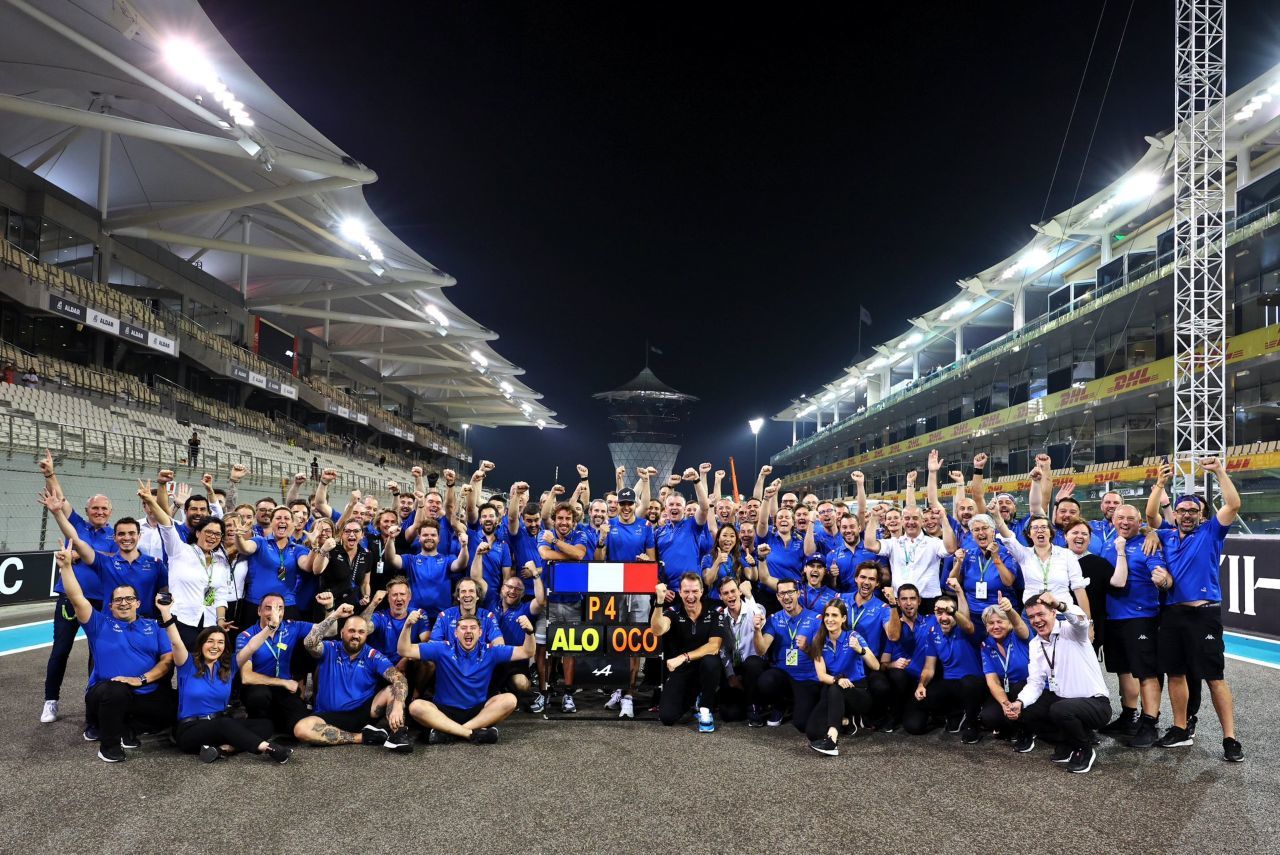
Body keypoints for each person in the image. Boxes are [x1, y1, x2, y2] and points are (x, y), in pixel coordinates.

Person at [1146, 458, 1244, 761]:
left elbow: (1234, 504)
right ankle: (1180, 727)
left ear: (1202, 515)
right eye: (1182, 510)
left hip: (1204, 614)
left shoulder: (1211, 532)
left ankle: (1230, 739)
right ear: (1175, 514)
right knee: (1176, 674)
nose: (1187, 515)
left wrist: (1218, 471)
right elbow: (1150, 515)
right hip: (1174, 614)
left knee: (1214, 677)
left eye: (1193, 511)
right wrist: (1160, 484)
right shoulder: (1166, 534)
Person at [53, 549, 174, 762]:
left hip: (142, 691)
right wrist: (66, 567)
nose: (124, 603)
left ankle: (129, 726)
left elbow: (167, 661)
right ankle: (109, 745)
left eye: (129, 599)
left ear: (138, 603)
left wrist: (141, 679)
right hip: (106, 693)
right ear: (110, 606)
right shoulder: (99, 623)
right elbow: (77, 597)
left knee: (178, 704)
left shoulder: (154, 626)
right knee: (117, 690)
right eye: (118, 600)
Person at [157, 596, 292, 764]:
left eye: (220, 642)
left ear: (225, 647)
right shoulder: (187, 663)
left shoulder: (229, 666)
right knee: (225, 725)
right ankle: (268, 748)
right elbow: (176, 642)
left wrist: (271, 626)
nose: (215, 646)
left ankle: (222, 749)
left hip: (220, 723)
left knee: (265, 725)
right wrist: (165, 612)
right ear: (201, 644)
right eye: (210, 641)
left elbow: (251, 646)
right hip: (190, 730)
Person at [1006, 592, 1112, 774]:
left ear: (1053, 613)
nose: (1036, 620)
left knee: (1060, 709)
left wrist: (1061, 605)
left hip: (1096, 704)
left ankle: (1083, 749)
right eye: (1031, 617)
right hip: (1064, 701)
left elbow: (1082, 620)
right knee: (1030, 708)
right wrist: (1019, 703)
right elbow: (1035, 683)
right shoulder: (1035, 644)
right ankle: (1067, 740)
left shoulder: (1072, 631)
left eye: (1041, 614)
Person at [400, 610, 537, 744]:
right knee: (416, 707)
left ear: (480, 632)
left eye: (473, 628)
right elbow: (404, 650)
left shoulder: (491, 650)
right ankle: (470, 733)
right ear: (456, 633)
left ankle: (451, 732)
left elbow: (527, 652)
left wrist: (529, 632)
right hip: (444, 710)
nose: (468, 631)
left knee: (510, 700)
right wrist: (407, 626)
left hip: (477, 712)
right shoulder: (442, 648)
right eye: (463, 628)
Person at [293, 603, 412, 752]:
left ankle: (398, 735)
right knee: (301, 729)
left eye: (361, 632)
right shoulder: (329, 648)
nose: (356, 635)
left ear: (366, 635)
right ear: (342, 633)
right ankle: (362, 737)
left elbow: (399, 679)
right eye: (351, 631)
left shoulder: (373, 655)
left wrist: (398, 706)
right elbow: (309, 643)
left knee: (393, 689)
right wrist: (335, 615)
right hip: (328, 716)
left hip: (361, 713)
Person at [1099, 504, 1169, 748]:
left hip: (1141, 618)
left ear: (1139, 522)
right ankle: (1129, 716)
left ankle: (1150, 723)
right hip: (1113, 618)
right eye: (1120, 518)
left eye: (1131, 518)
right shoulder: (1109, 544)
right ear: (1113, 520)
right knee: (1123, 670)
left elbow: (1161, 573)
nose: (1125, 522)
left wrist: (1163, 580)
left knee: (1146, 672)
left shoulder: (1148, 544)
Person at [137, 481, 234, 651]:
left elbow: (219, 594)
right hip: (182, 620)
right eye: (208, 532)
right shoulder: (179, 551)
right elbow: (166, 525)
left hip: (210, 623)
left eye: (217, 534)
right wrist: (151, 501)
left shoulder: (220, 560)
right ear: (197, 533)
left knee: (205, 668)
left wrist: (220, 620)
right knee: (179, 665)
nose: (212, 537)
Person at [862, 458, 957, 613]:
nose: (910, 522)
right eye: (906, 518)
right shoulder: (894, 543)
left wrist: (944, 520)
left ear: (922, 521)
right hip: (901, 600)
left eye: (915, 518)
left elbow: (951, 548)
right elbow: (870, 545)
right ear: (902, 521)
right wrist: (873, 518)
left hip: (928, 600)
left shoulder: (932, 543)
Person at [236, 593, 325, 735]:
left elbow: (329, 630)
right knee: (259, 696)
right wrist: (283, 682)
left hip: (283, 690)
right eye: (268, 608)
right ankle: (257, 722)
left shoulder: (292, 627)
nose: (274, 613)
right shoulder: (245, 636)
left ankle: (273, 724)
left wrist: (332, 610)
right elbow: (247, 677)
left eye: (279, 608)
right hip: (258, 687)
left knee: (300, 721)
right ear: (259, 611)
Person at [907, 584, 985, 743]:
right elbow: (929, 668)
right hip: (950, 684)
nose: (944, 617)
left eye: (948, 612)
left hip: (973, 683)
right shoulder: (933, 632)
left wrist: (958, 595)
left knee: (969, 684)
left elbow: (968, 624)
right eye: (939, 612)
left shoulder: (964, 628)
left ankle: (972, 723)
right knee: (914, 724)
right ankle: (953, 714)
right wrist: (921, 685)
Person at [807, 599, 880, 756]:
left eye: (834, 615)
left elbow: (876, 666)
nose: (830, 619)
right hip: (835, 689)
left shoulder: (853, 636)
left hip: (858, 692)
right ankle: (846, 721)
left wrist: (861, 650)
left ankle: (832, 741)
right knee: (813, 732)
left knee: (835, 688)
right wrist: (837, 680)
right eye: (827, 615)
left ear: (843, 619)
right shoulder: (818, 640)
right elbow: (821, 676)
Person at [651, 573, 724, 731]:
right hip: (683, 670)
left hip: (706, 666)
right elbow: (657, 630)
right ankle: (694, 699)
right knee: (667, 717)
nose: (690, 596)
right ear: (679, 592)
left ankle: (706, 709)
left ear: (702, 591)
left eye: (695, 591)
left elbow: (714, 646)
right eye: (686, 592)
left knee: (711, 662)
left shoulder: (715, 610)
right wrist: (659, 603)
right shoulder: (673, 611)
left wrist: (683, 657)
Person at [538, 501, 590, 713]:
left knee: (570, 650)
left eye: (568, 518)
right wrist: (569, 555)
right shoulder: (545, 534)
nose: (564, 522)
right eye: (560, 518)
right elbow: (545, 555)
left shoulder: (580, 536)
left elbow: (579, 554)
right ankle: (544, 692)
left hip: (572, 602)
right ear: (554, 519)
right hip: (548, 602)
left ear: (573, 520)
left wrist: (558, 546)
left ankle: (568, 694)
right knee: (542, 649)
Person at [752, 578, 822, 731]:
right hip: (783, 675)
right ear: (777, 597)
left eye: (790, 592)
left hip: (806, 677)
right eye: (782, 593)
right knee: (765, 681)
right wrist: (757, 630)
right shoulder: (774, 619)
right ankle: (780, 704)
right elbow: (761, 650)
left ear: (798, 593)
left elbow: (820, 655)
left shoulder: (816, 619)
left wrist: (807, 649)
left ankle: (797, 705)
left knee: (802, 724)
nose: (786, 597)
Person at [978, 593, 1031, 742]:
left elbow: (1020, 625)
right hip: (1006, 691)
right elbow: (993, 681)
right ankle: (1012, 724)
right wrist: (1004, 704)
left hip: (1028, 688)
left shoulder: (1019, 635)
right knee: (988, 717)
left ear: (1009, 623)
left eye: (1000, 621)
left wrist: (1009, 610)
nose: (995, 626)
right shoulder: (986, 645)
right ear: (986, 626)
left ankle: (1027, 728)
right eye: (990, 623)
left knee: (1017, 689)